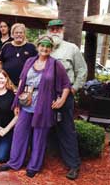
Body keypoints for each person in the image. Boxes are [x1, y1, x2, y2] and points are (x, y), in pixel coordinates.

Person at [0, 36, 71, 178]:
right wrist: (17, 102)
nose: (44, 48)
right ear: (37, 47)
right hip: (26, 102)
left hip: (43, 105)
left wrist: (61, 100)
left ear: (51, 49)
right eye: (42, 46)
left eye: (48, 46)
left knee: (39, 136)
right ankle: (14, 162)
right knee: (19, 133)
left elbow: (66, 85)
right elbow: (21, 82)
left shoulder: (56, 65)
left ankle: (34, 166)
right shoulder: (30, 61)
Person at [47, 19, 88, 180]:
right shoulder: (44, 47)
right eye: (52, 29)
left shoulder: (72, 49)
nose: (55, 31)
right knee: (44, 126)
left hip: (65, 93)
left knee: (66, 128)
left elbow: (82, 70)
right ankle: (47, 156)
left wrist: (74, 88)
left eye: (58, 29)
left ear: (63, 30)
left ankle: (73, 165)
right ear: (48, 31)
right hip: (46, 95)